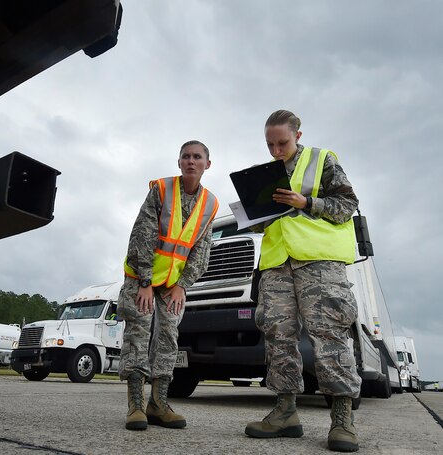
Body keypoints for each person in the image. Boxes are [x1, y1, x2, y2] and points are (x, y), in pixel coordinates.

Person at [244, 110, 361, 452]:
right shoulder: (265, 174)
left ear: (298, 135)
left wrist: (307, 202)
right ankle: (285, 412)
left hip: (319, 261)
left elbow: (347, 204)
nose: (276, 150)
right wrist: (252, 214)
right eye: (269, 144)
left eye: (282, 142)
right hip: (278, 262)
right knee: (278, 334)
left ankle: (342, 420)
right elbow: (264, 222)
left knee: (329, 334)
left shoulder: (322, 160)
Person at [118, 140, 219, 431]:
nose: (191, 161)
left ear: (206, 165)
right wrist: (145, 282)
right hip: (143, 278)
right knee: (138, 333)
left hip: (173, 283)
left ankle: (158, 404)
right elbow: (142, 235)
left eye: (197, 157)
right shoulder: (162, 189)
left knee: (168, 338)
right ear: (179, 162)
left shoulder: (210, 203)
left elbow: (201, 249)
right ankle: (136, 406)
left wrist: (183, 285)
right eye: (185, 156)